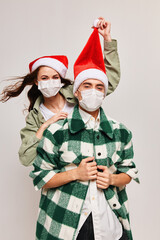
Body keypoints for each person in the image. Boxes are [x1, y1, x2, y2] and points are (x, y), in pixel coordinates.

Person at [30, 27, 139, 240]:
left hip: (109, 224)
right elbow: (40, 177)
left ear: (105, 93)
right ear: (76, 92)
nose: (93, 91)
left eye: (99, 87)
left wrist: (113, 179)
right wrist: (75, 174)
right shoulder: (56, 131)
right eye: (87, 85)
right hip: (65, 225)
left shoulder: (121, 132)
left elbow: (129, 172)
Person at [0, 17, 121, 167]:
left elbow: (109, 80)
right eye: (44, 78)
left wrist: (107, 39)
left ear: (60, 79)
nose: (50, 81)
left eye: (55, 77)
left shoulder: (76, 93)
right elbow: (26, 158)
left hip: (94, 163)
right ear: (37, 81)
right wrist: (44, 127)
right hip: (62, 174)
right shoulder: (35, 117)